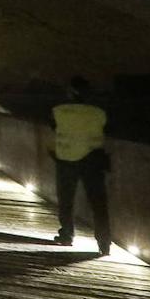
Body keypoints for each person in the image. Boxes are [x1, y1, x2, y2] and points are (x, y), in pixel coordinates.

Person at [50, 77, 111, 255]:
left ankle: (67, 235)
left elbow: (53, 127)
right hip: (93, 161)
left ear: (70, 92)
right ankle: (104, 243)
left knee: (66, 201)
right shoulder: (99, 113)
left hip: (66, 160)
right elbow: (107, 129)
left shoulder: (58, 111)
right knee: (98, 204)